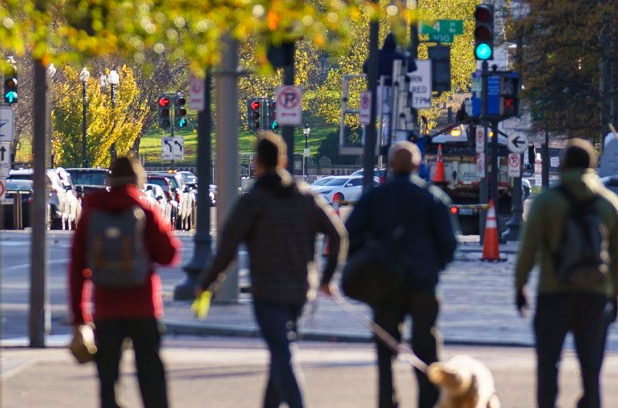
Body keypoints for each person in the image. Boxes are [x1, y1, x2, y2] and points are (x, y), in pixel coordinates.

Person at [195, 132, 346, 408]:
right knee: (281, 352)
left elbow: (227, 247)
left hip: (266, 291)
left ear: (258, 164)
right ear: (284, 161)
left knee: (282, 353)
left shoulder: (253, 201)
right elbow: (337, 236)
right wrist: (327, 278)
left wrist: (206, 283)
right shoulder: (305, 197)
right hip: (301, 290)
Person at [512, 139, 618, 408]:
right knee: (591, 368)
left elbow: (528, 249)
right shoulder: (610, 204)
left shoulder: (546, 202)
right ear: (592, 166)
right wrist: (617, 294)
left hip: (554, 292)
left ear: (564, 165)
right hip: (595, 294)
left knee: (547, 363)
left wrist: (520, 287)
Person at [344, 142, 460, 408]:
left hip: (384, 282)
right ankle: (428, 402)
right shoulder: (433, 197)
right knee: (426, 349)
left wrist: (367, 259)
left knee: (385, 350)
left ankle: (388, 401)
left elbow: (349, 235)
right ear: (418, 166)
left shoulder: (375, 197)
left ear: (391, 165)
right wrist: (434, 267)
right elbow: (449, 243)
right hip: (422, 283)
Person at [69, 151, 182, 408]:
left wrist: (80, 316)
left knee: (108, 377)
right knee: (151, 373)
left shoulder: (92, 213)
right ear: (137, 179)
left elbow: (77, 267)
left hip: (106, 306)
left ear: (110, 180)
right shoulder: (145, 210)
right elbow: (169, 255)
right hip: (143, 305)